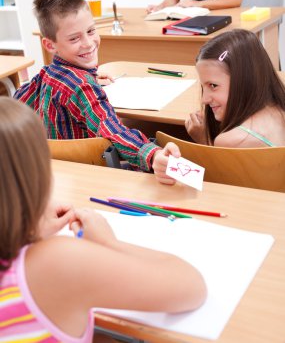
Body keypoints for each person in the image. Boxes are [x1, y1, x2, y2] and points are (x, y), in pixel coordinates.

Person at [0, 97, 206, 342]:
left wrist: (26, 228)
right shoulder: (56, 261)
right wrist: (109, 243)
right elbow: (191, 287)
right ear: (35, 177)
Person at [14, 0, 160, 172]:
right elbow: (111, 130)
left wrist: (89, 78)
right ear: (49, 45)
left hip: (57, 173)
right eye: (74, 39)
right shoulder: (82, 86)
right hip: (89, 175)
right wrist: (152, 154)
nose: (88, 43)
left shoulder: (47, 74)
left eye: (91, 31)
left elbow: (16, 104)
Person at [153, 29, 285, 185]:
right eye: (203, 87)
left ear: (243, 81)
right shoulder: (278, 107)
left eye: (213, 86)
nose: (204, 99)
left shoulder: (233, 140)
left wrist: (204, 140)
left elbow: (210, 184)